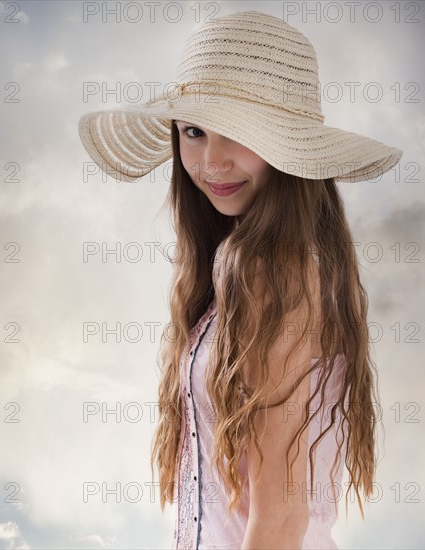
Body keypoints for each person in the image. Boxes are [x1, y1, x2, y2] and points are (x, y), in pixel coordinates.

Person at [78, 10, 403, 550]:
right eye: (194, 131)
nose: (212, 162)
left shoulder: (273, 274)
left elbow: (278, 521)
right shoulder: (257, 268)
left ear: (288, 146)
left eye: (240, 134)